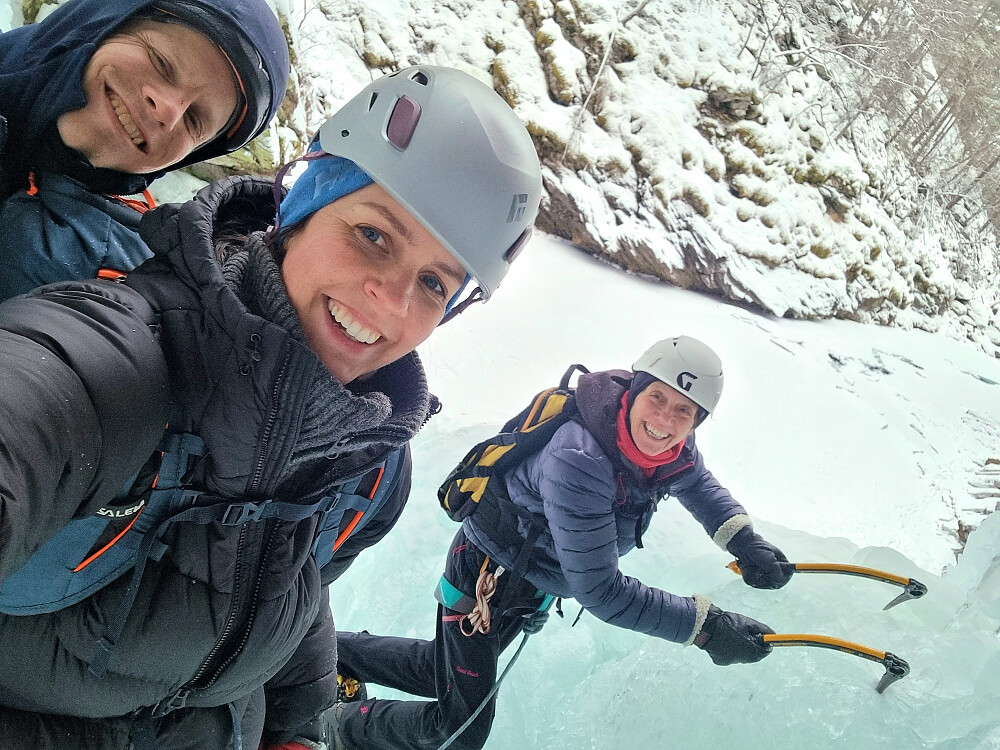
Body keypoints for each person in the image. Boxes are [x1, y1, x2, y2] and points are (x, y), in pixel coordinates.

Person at [0, 65, 542, 750]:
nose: (392, 300)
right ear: (304, 206)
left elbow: (289, 584)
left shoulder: (369, 467)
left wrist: (297, 729)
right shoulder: (119, 359)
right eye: (374, 235)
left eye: (434, 283)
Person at [329, 336, 792, 750]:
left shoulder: (670, 448)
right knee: (459, 728)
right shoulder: (580, 458)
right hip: (485, 577)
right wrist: (706, 628)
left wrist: (743, 540)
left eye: (683, 411)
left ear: (696, 422)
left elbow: (696, 482)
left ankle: (331, 654)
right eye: (657, 397)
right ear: (634, 390)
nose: (664, 419)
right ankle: (333, 727)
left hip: (527, 577)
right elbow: (602, 591)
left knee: (442, 669)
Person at [0, 0, 290, 302]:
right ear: (102, 21)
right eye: (161, 63)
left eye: (193, 120)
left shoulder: (105, 277)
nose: (168, 111)